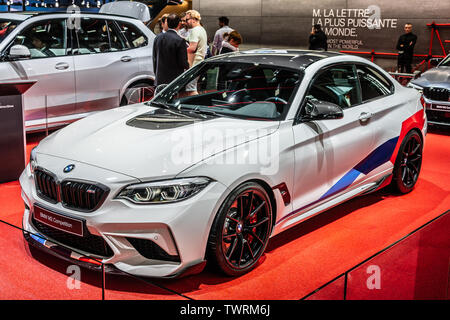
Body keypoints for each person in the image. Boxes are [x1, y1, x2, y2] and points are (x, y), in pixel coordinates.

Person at [152, 13, 189, 86]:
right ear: (179, 24)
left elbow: (154, 58)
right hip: (174, 80)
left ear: (167, 23)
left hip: (160, 79)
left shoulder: (157, 38)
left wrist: (156, 74)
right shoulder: (180, 40)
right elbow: (183, 63)